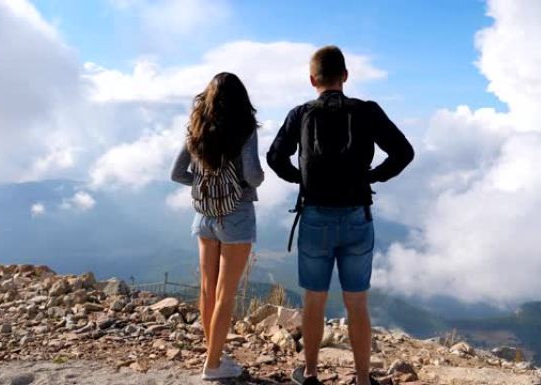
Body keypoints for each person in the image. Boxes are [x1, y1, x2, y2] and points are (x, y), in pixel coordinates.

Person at [267, 46, 414, 385]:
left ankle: (311, 373)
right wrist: (373, 176)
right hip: (357, 216)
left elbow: (276, 157)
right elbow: (404, 152)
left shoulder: (300, 113)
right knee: (357, 303)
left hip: (315, 215)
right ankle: (363, 379)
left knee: (314, 300)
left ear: (311, 79)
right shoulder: (367, 111)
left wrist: (299, 178)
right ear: (345, 76)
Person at [170, 72, 264, 380]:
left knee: (208, 290)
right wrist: (243, 184)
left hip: (204, 215)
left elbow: (176, 173)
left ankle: (215, 355)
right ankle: (212, 365)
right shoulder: (245, 130)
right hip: (236, 215)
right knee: (226, 293)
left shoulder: (196, 130)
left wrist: (203, 182)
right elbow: (253, 175)